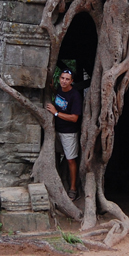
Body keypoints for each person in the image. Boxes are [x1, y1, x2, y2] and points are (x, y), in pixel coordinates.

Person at [45, 69, 83, 200]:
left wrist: (56, 113)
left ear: (72, 81)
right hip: (55, 130)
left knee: (70, 160)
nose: (64, 81)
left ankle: (73, 188)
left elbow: (74, 118)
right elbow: (60, 97)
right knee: (54, 154)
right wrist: (52, 90)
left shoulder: (75, 96)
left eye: (67, 79)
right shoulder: (60, 90)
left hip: (69, 133)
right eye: (62, 78)